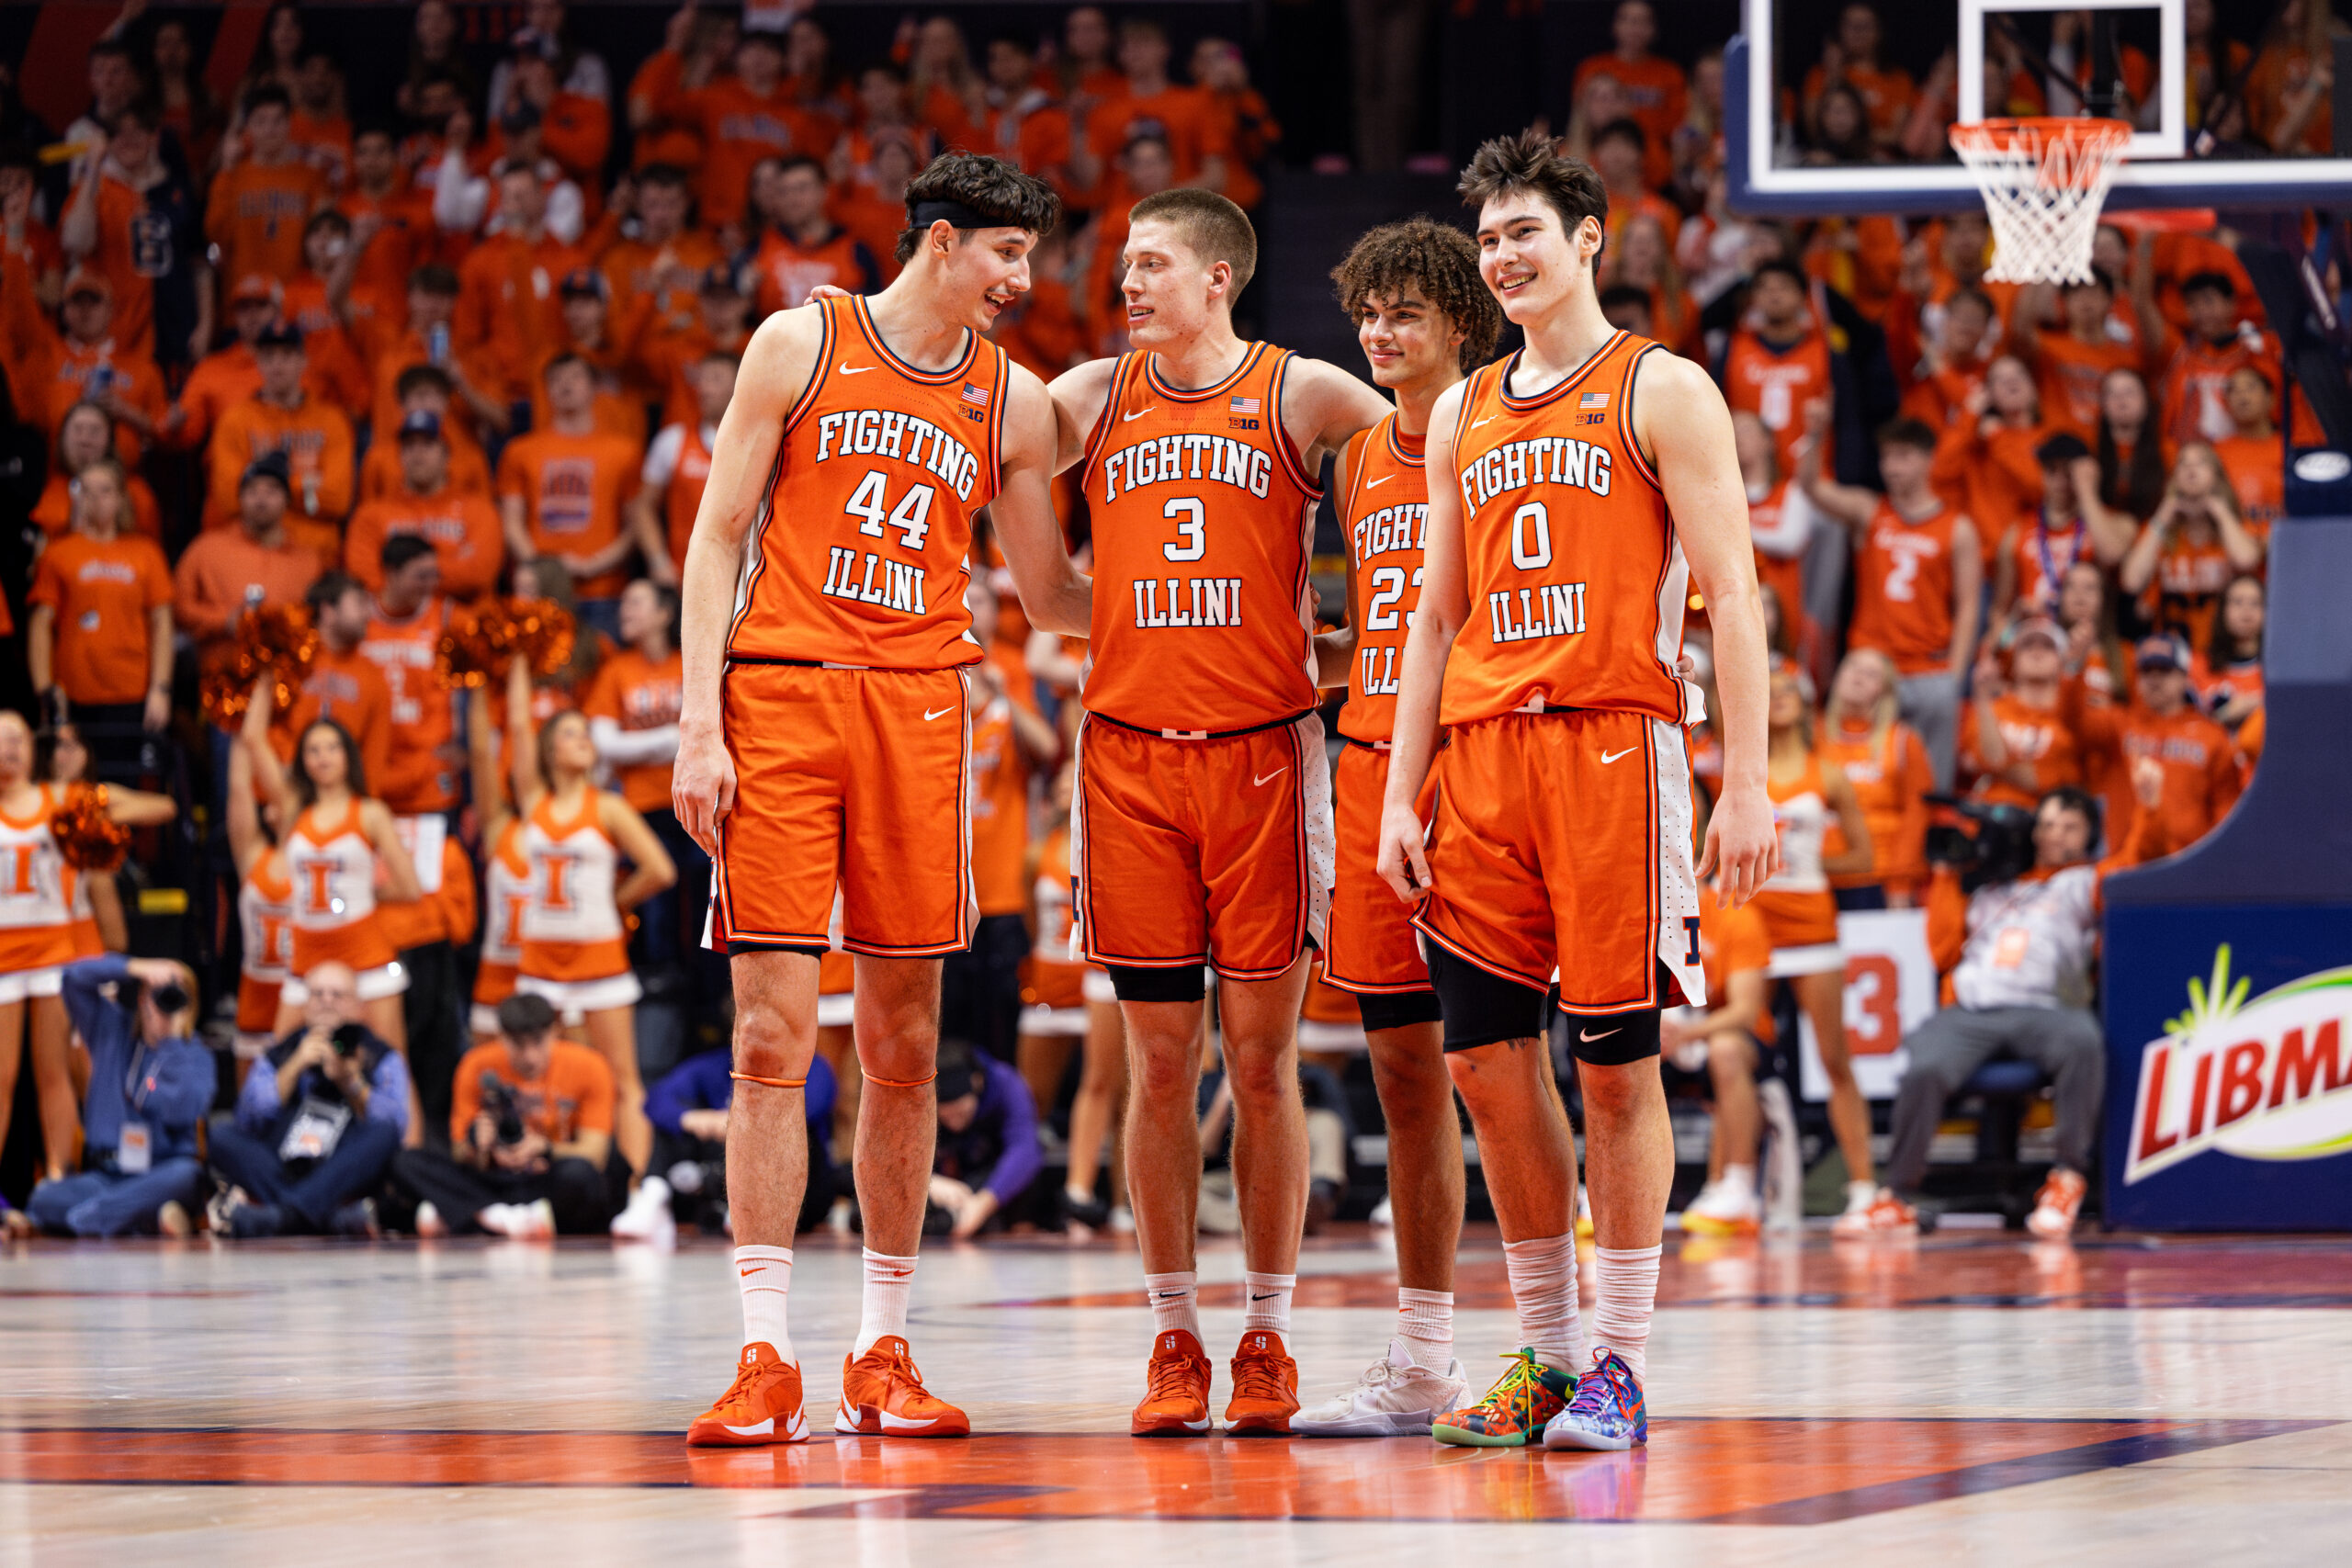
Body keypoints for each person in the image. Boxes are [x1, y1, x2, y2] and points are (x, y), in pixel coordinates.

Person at [672, 151, 1087, 1446]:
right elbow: (716, 532)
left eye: (1033, 261)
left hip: (920, 711)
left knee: (906, 1045)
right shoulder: (801, 341)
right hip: (781, 696)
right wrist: (698, 718)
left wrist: (1225, 610)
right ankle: (760, 1352)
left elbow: (1053, 596)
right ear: (946, 241)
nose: (1024, 282)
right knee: (766, 1040)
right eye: (1009, 257)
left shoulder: (1009, 401)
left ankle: (883, 1346)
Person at [1375, 130, 1777, 1452]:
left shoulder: (1663, 388)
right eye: (1489, 240)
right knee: (1488, 1067)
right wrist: (1397, 792)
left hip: (1615, 743)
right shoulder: (1462, 410)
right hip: (1479, 760)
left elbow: (1735, 596)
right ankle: (1545, 1353)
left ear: (1588, 238)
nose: (1503, 257)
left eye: (1525, 233)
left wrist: (1748, 780)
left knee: (1614, 1065)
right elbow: (1434, 616)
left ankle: (1619, 1358)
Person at [1045, 186, 1388, 1438]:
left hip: (1264, 756)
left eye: (1152, 266)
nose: (1128, 285)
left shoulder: (1306, 394)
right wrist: (1110, 615)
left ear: (1219, 278)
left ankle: (1269, 1331)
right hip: (1129, 755)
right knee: (1155, 1061)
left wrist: (1368, 634)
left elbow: (1436, 447)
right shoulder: (1085, 398)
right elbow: (1039, 581)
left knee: (1260, 1062)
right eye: (1124, 266)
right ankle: (1174, 1331)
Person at [1295, 219, 1501, 1438]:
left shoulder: (1504, 427)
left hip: (1481, 768)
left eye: (1406, 311)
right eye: (1369, 312)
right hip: (1371, 764)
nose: (1381, 333)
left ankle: (1566, 1338)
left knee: (1502, 1065)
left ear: (1459, 322)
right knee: (1406, 1073)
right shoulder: (1359, 457)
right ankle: (1424, 1356)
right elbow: (1383, 622)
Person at [1872, 761, 2169, 1238]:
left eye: (2070, 826)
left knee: (2083, 1043)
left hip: (2047, 1010)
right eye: (2048, 823)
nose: (2056, 834)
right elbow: (1943, 949)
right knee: (1925, 1062)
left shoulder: (2083, 883)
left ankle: (2067, 1178)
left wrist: (2149, 809)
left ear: (2088, 836)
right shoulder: (1993, 886)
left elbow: (2139, 858)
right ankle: (1896, 1196)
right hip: (1972, 1010)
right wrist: (1948, 874)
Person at [501, 655, 676, 1235]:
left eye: (585, 733)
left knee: (621, 1078)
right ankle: (548, 1188)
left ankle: (639, 1192)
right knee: (543, 1077)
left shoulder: (610, 806)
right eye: (571, 733)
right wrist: (515, 660)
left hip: (599, 957)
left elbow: (659, 869)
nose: (583, 741)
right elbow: (519, 731)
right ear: (552, 749)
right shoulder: (533, 801)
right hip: (540, 962)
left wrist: (614, 903)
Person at [1749, 666, 1883, 1225]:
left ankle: (1864, 1190)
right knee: (1741, 1055)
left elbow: (1864, 857)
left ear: (1805, 706)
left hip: (1811, 923)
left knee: (1834, 1058)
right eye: (1769, 690)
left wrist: (1809, 861)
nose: (1779, 699)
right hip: (1753, 923)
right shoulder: (1743, 772)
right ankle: (1743, 1187)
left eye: (1788, 692)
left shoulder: (1827, 773)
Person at [1798, 408, 1983, 789]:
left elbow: (1968, 606)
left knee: (1932, 784)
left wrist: (1955, 673)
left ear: (1928, 459)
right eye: (1886, 457)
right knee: (1864, 776)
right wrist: (1816, 435)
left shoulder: (1958, 528)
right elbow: (1812, 487)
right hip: (1873, 667)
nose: (1892, 467)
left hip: (1930, 668)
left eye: (1903, 456)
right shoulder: (1870, 511)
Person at [243, 679, 420, 1051]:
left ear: (348, 755)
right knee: (281, 1059)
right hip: (305, 956)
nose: (323, 757)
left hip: (365, 954)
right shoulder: (294, 811)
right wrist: (268, 671)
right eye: (312, 750)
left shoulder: (370, 813)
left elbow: (409, 887)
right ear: (302, 761)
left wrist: (362, 892)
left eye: (332, 747)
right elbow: (253, 741)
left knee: (391, 1067)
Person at [209, 961, 409, 1237]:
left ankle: (282, 1216)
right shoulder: (282, 1051)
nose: (326, 1002)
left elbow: (395, 1125)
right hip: (285, 1161)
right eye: (317, 994)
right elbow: (249, 1118)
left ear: (359, 1007)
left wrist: (351, 1081)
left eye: (337, 995)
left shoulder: (379, 1055)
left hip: (339, 1164)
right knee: (221, 1134)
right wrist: (296, 1065)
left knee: (383, 1135)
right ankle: (322, 1217)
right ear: (304, 1006)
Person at [391, 992, 616, 1237]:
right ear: (502, 1037)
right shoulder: (476, 1064)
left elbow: (595, 1153)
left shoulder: (589, 1065)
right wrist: (479, 1144)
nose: (530, 1056)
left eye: (538, 1042)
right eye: (519, 1044)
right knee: (406, 1162)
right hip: (493, 1177)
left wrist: (544, 1148)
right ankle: (497, 1216)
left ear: (555, 1032)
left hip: (547, 1176)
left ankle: (470, 1215)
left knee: (581, 1174)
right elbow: (459, 1152)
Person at [20, 954, 212, 1238]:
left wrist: (170, 1042)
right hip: (106, 1176)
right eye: (155, 991)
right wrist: (136, 967)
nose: (161, 1003)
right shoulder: (111, 1029)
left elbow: (181, 1112)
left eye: (173, 995)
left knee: (188, 1176)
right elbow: (73, 978)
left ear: (188, 1005)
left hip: (158, 1173)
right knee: (44, 1197)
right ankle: (139, 1220)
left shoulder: (195, 1055)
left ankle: (94, 1219)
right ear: (142, 995)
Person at [25, 458, 173, 749]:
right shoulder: (58, 554)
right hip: (75, 695)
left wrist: (161, 689)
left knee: (127, 788)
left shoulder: (147, 553)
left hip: (133, 693)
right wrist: (45, 690)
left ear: (120, 498)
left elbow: (162, 624)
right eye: (87, 491)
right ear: (76, 497)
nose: (96, 500)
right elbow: (41, 625)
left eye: (105, 491)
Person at [497, 354, 645, 637]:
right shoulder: (520, 451)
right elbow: (511, 520)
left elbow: (636, 525)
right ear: (546, 390)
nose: (564, 386)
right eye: (555, 380)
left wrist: (593, 565)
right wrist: (547, 569)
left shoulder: (624, 451)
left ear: (594, 387)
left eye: (574, 377)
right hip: (540, 591)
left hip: (603, 590)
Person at [1669, 886, 1779, 1235]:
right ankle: (1609, 1190)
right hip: (1670, 1035)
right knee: (1612, 1051)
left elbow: (1745, 1011)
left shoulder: (1736, 915)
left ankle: (1738, 1185)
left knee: (1725, 1049)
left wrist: (1684, 1035)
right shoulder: (1641, 911)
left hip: (1733, 1038)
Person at [2075, 633, 2243, 854]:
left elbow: (2226, 807)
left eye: (2164, 671)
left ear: (2185, 677)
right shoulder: (2119, 725)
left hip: (2188, 860)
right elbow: (2072, 724)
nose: (2154, 680)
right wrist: (2073, 669)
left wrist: (2217, 858)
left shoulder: (2212, 735)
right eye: (2146, 672)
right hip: (2128, 857)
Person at [647, 1046, 841, 1235]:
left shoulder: (809, 1064)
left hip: (791, 1185)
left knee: (795, 1130)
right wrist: (692, 1118)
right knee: (673, 1121)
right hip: (723, 1165)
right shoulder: (718, 1063)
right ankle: (653, 1193)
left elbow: (815, 1104)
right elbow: (656, 1099)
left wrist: (744, 1124)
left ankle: (755, 1205)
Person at [173, 454, 327, 656]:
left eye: (272, 490)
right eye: (252, 491)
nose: (261, 500)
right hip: (220, 673)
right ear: (240, 498)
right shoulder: (206, 548)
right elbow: (178, 606)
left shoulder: (308, 560)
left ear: (287, 500)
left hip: (288, 674)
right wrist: (225, 621)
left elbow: (322, 619)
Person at [345, 410, 505, 602]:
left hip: (460, 624)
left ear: (446, 455)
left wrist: (402, 574)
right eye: (409, 445)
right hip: (396, 625)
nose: (417, 452)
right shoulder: (371, 514)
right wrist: (451, 563)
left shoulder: (479, 510)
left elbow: (478, 573)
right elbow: (364, 577)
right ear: (400, 456)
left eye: (427, 443)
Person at [1818, 648, 1933, 908]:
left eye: (1871, 674)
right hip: (1817, 875)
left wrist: (1901, 883)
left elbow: (1917, 816)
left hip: (1876, 880)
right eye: (1852, 667)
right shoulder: (1812, 736)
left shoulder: (1903, 741)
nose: (1858, 676)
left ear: (1884, 691)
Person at [1962, 616, 2086, 813]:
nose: (2037, 651)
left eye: (2047, 646)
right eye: (2027, 645)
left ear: (2061, 660)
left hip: (2042, 827)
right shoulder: (1990, 707)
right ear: (2013, 659)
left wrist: (1996, 770)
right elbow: (1987, 759)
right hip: (1986, 820)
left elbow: (2047, 782)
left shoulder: (2068, 715)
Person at [927, 1036, 1044, 1238]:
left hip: (987, 1183)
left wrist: (983, 1204)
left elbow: (1025, 1149)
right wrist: (927, 1183)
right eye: (944, 1114)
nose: (953, 1121)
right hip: (939, 1184)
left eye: (960, 1110)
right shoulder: (916, 1095)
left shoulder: (1006, 1083)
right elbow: (887, 1157)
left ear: (977, 1082)